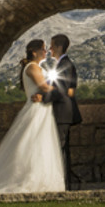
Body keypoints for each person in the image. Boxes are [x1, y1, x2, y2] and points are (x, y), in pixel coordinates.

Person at [0, 39, 65, 194]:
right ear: (34, 51)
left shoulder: (36, 66)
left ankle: (40, 179)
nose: (46, 52)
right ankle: (27, 179)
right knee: (33, 143)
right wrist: (63, 90)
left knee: (40, 144)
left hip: (42, 108)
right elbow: (43, 86)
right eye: (43, 49)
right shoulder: (32, 67)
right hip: (37, 109)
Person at [39, 33, 82, 189]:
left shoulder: (65, 64)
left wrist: (43, 98)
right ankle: (65, 184)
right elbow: (71, 89)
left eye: (51, 46)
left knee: (60, 148)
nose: (49, 49)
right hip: (65, 112)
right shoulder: (64, 63)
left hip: (62, 112)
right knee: (62, 148)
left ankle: (63, 185)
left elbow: (62, 90)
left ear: (58, 47)